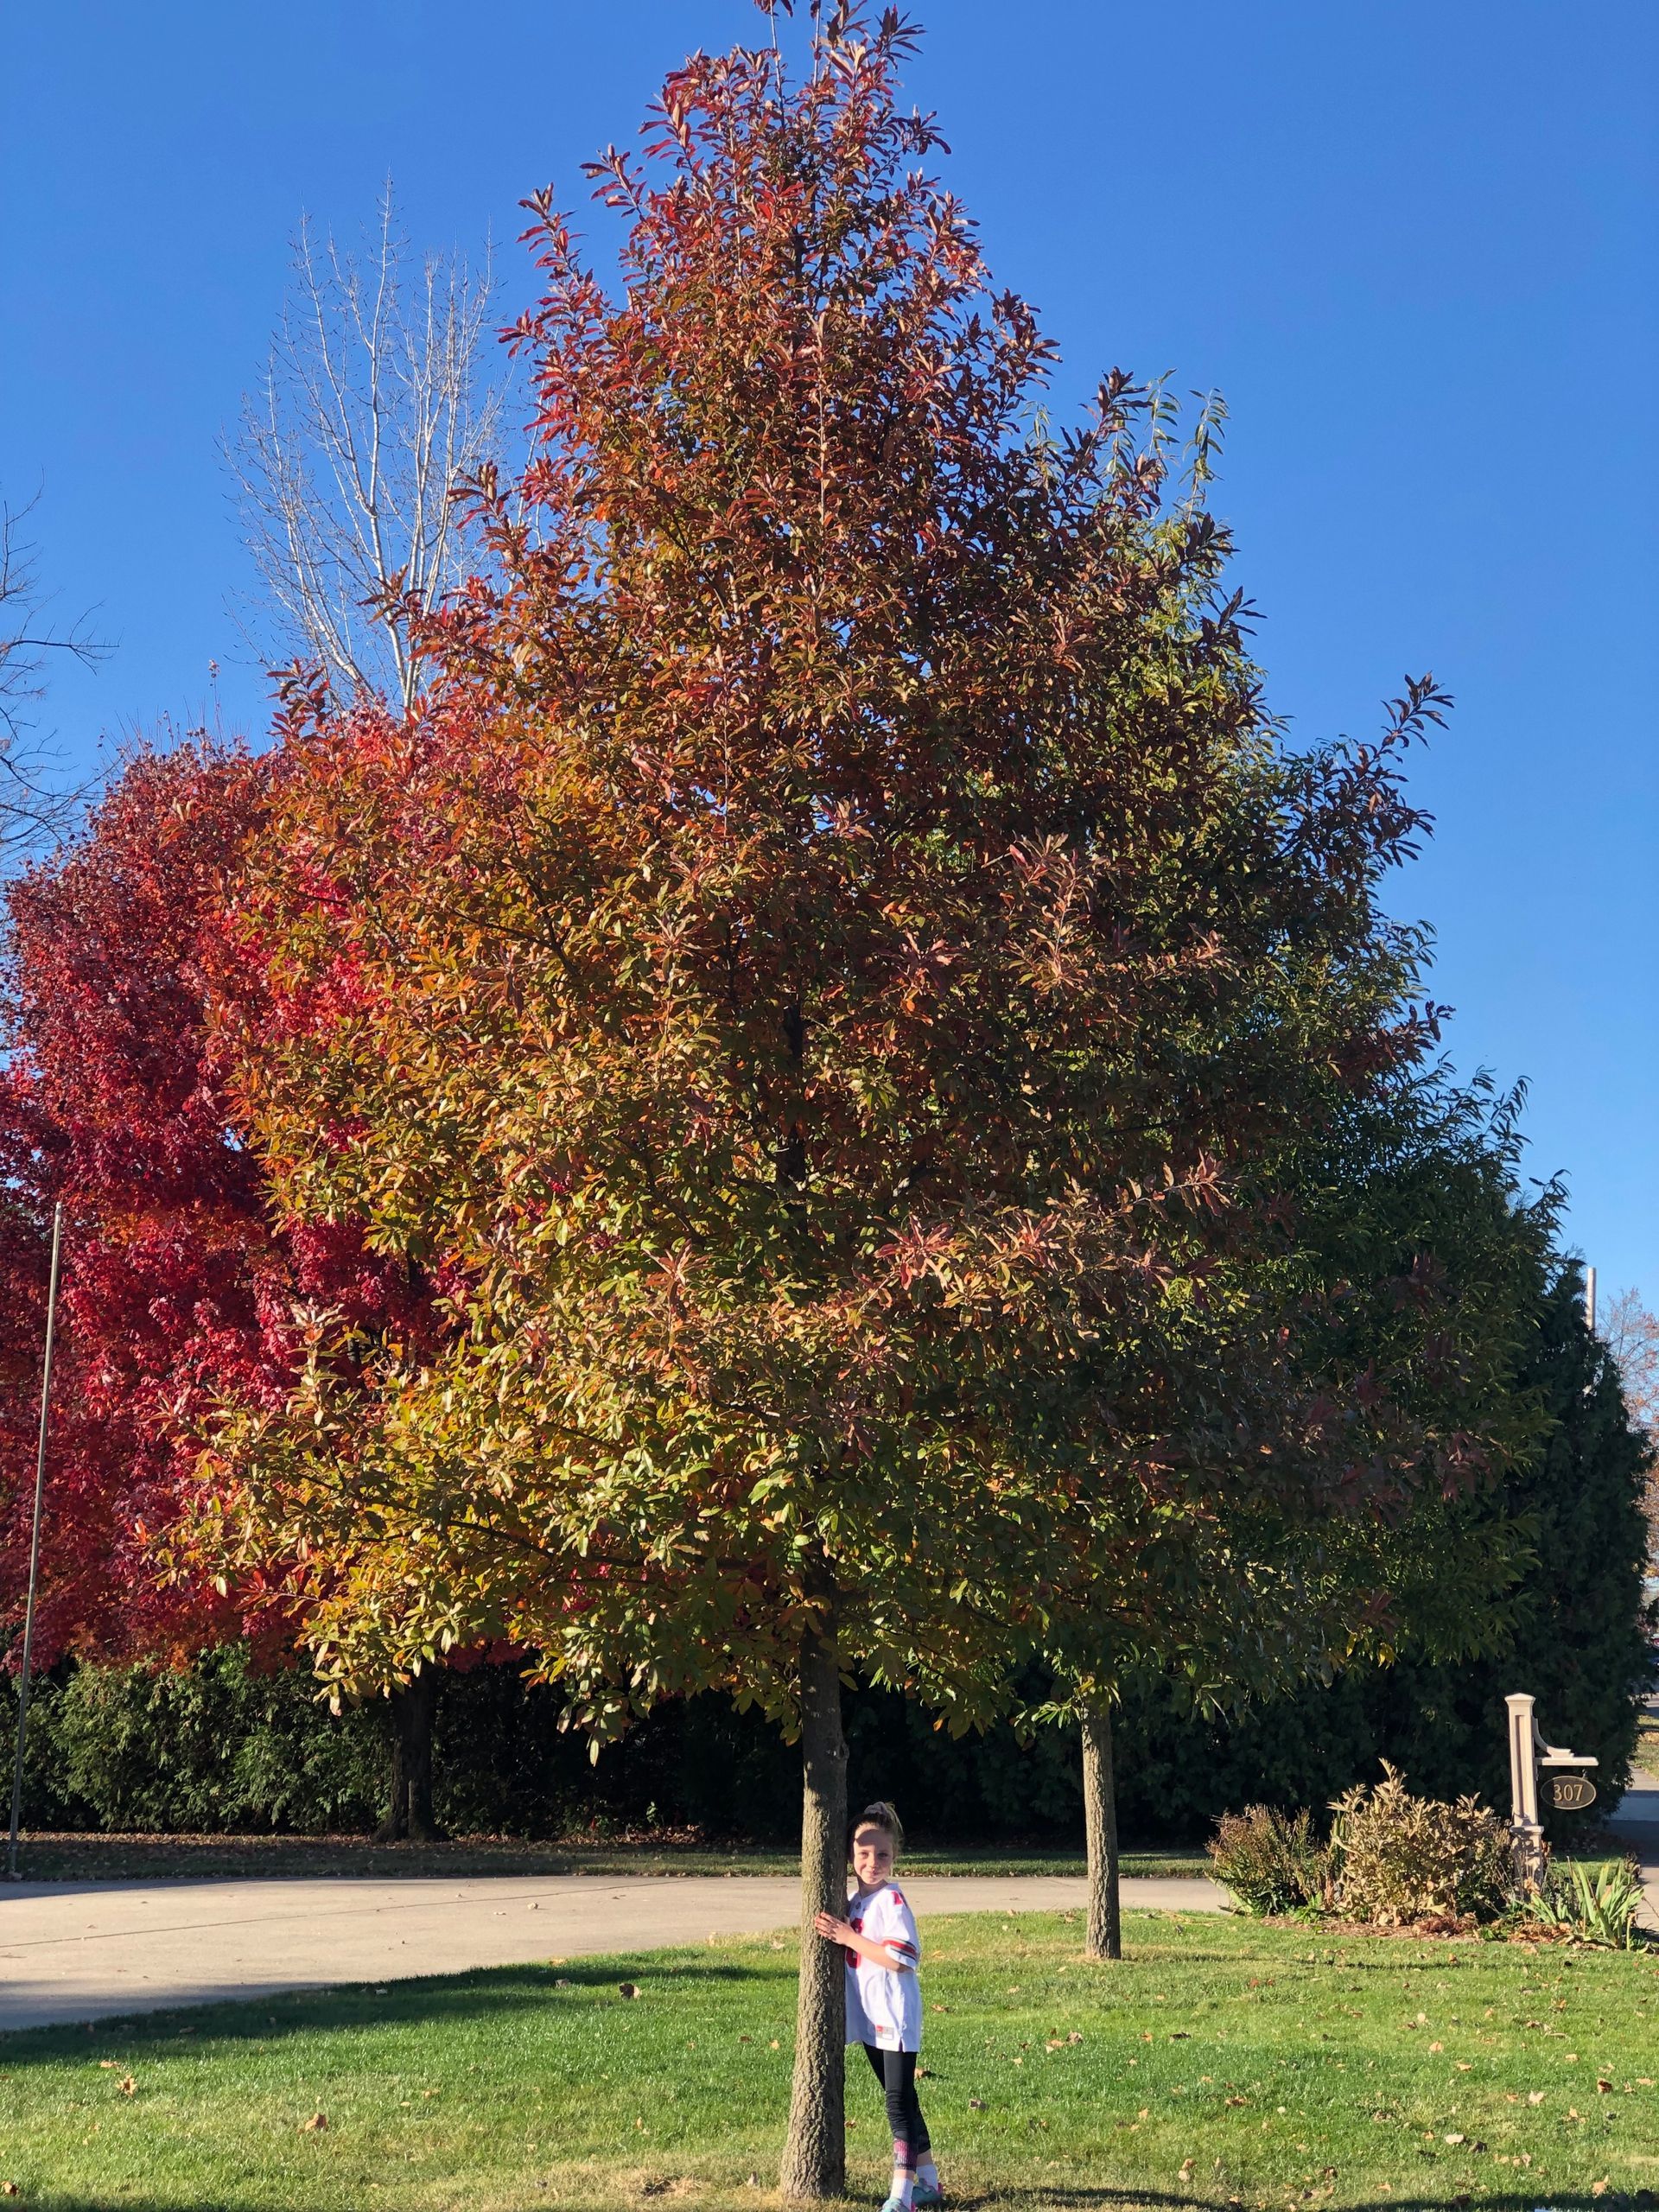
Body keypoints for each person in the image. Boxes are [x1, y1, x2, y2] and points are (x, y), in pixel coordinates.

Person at [814, 1799, 943, 2211]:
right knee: (905, 2099)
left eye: (882, 1854)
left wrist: (848, 1938)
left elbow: (903, 1958)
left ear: (895, 1856)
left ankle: (902, 2197)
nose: (873, 1862)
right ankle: (930, 2183)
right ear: (850, 1856)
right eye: (864, 1854)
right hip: (871, 2021)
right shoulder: (854, 1899)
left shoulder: (892, 1900)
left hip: (895, 2018)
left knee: (896, 2104)